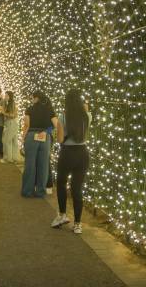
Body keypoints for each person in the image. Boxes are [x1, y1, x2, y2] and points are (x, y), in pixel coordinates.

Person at [51, 89, 92, 234]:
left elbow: (60, 140)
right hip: (82, 154)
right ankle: (78, 224)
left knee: (61, 183)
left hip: (67, 153)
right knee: (77, 188)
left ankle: (62, 215)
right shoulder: (87, 116)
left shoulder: (63, 116)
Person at [21, 92, 60, 198]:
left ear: (36, 98)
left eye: (32, 98)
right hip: (45, 137)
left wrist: (23, 139)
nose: (32, 100)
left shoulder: (29, 109)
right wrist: (47, 131)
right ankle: (40, 191)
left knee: (30, 164)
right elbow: (57, 124)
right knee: (43, 165)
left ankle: (27, 191)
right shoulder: (49, 109)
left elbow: (26, 125)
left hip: (32, 135)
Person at [1, 91, 20, 164]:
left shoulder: (12, 104)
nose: (5, 97)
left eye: (6, 95)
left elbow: (13, 115)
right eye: (5, 95)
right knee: (14, 141)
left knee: (7, 140)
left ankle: (8, 158)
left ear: (10, 96)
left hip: (11, 123)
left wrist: (4, 113)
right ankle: (14, 158)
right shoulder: (7, 103)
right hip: (12, 123)